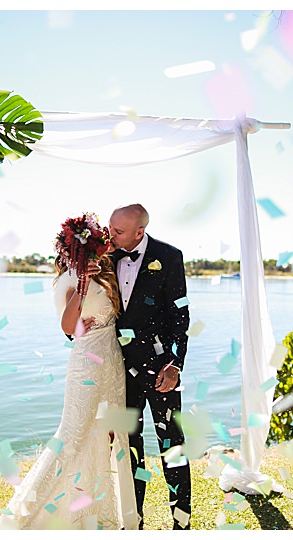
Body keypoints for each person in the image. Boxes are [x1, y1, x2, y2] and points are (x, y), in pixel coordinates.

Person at [0, 213, 138, 530]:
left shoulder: (105, 273)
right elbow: (68, 327)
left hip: (112, 363)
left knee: (108, 436)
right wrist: (83, 287)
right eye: (96, 243)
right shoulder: (71, 279)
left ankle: (95, 512)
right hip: (87, 364)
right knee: (72, 436)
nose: (102, 248)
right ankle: (30, 513)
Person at [107, 204, 192, 529]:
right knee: (128, 450)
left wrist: (174, 365)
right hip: (119, 373)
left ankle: (181, 525)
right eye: (111, 227)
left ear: (139, 232)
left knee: (172, 448)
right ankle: (134, 522)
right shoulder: (106, 256)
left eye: (119, 231)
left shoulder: (170, 257)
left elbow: (180, 315)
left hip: (161, 373)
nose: (110, 235)